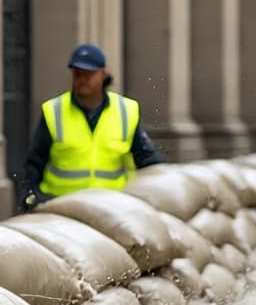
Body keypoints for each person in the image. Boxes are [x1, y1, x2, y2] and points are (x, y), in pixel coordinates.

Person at [20, 43, 164, 209]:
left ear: (103, 74)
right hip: (62, 207)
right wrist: (30, 196)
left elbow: (148, 159)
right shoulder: (54, 111)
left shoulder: (125, 111)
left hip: (111, 207)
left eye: (88, 74)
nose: (82, 79)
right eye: (77, 74)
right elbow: (34, 162)